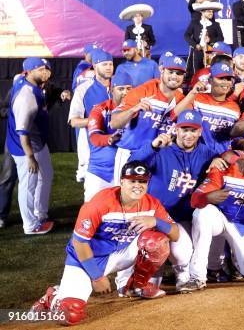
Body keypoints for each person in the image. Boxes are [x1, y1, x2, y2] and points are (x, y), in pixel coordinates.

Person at [30, 161, 180, 326]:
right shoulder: (100, 203)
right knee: (70, 314)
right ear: (122, 181)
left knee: (156, 242)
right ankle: (53, 297)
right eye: (132, 180)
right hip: (86, 259)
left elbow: (175, 234)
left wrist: (155, 221)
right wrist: (96, 276)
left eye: (142, 181)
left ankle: (137, 286)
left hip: (120, 253)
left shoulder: (152, 204)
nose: (138, 185)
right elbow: (79, 243)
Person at [125, 110, 228, 292]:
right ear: (176, 129)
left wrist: (219, 160)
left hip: (183, 220)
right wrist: (153, 146)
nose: (189, 135)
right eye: (184, 130)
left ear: (200, 132)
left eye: (193, 130)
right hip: (158, 217)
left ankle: (182, 277)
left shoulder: (207, 154)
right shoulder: (162, 150)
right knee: (150, 266)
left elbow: (228, 161)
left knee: (185, 252)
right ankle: (129, 278)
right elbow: (131, 165)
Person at [188, 137, 244, 289]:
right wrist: (207, 197)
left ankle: (236, 259)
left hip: (243, 224)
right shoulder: (225, 168)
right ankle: (197, 276)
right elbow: (195, 200)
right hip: (219, 218)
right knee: (201, 213)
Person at [110, 54, 186, 184]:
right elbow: (114, 123)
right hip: (131, 153)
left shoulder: (181, 99)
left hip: (159, 157)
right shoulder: (143, 91)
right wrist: (133, 110)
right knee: (125, 199)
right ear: (161, 70)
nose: (174, 76)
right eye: (171, 71)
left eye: (179, 73)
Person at [7, 58, 54, 235]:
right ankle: (30, 225)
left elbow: (16, 76)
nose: (46, 73)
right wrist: (30, 157)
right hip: (25, 147)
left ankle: (39, 214)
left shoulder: (22, 78)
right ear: (29, 72)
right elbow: (22, 133)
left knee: (46, 175)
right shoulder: (26, 98)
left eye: (46, 69)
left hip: (37, 141)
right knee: (28, 184)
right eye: (40, 70)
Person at [84, 72, 133, 201]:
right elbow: (94, 137)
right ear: (111, 90)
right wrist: (110, 138)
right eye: (121, 89)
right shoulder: (100, 109)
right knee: (92, 212)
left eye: (129, 88)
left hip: (127, 174)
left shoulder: (137, 111)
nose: (125, 92)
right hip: (100, 172)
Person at [69, 49, 113, 183]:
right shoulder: (83, 89)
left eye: (111, 64)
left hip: (117, 148)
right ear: (94, 66)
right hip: (93, 150)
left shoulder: (120, 86)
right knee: (94, 196)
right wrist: (98, 119)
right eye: (104, 64)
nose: (108, 68)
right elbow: (74, 121)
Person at [176, 63, 241, 151]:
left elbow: (234, 138)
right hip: (197, 155)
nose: (225, 82)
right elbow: (176, 115)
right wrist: (193, 93)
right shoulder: (197, 98)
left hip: (221, 159)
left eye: (229, 79)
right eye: (221, 78)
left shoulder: (235, 108)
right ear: (210, 80)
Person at [184, 1, 225, 78]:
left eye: (212, 12)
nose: (211, 13)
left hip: (210, 52)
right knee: (197, 72)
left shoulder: (215, 25)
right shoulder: (195, 23)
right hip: (198, 51)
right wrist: (195, 45)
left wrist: (211, 40)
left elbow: (221, 38)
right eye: (209, 11)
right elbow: (186, 35)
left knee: (210, 71)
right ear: (202, 12)